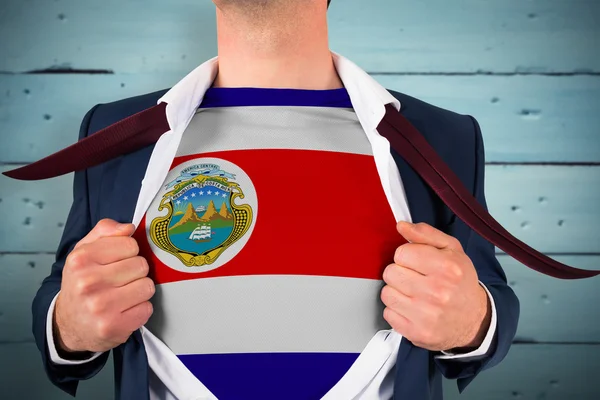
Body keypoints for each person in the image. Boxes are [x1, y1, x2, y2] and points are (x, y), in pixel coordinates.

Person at [29, 1, 520, 399]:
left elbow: (489, 297)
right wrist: (69, 324)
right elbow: (62, 291)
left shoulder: (443, 137)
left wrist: (473, 320)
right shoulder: (113, 132)